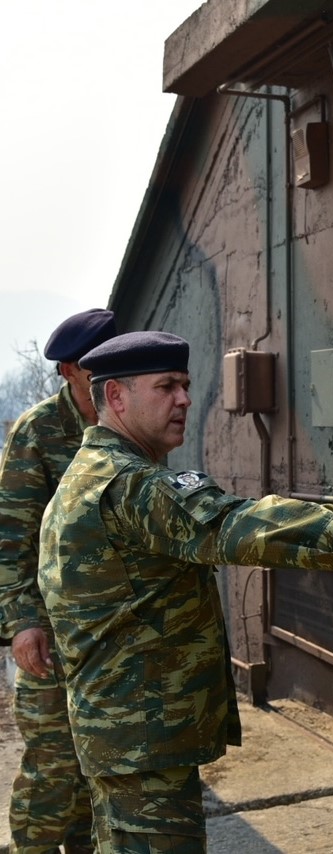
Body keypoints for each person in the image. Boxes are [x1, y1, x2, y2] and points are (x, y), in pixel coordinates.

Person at [36, 330, 333, 853]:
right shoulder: (130, 487)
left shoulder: (86, 476)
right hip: (141, 744)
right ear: (116, 397)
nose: (184, 398)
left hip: (121, 737)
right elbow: (247, 525)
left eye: (185, 384)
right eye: (166, 387)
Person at [0, 307, 119, 854]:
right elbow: (10, 540)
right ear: (69, 371)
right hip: (50, 631)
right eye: (95, 368)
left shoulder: (129, 422)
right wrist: (23, 623)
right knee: (53, 766)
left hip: (110, 628)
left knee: (101, 769)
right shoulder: (38, 432)